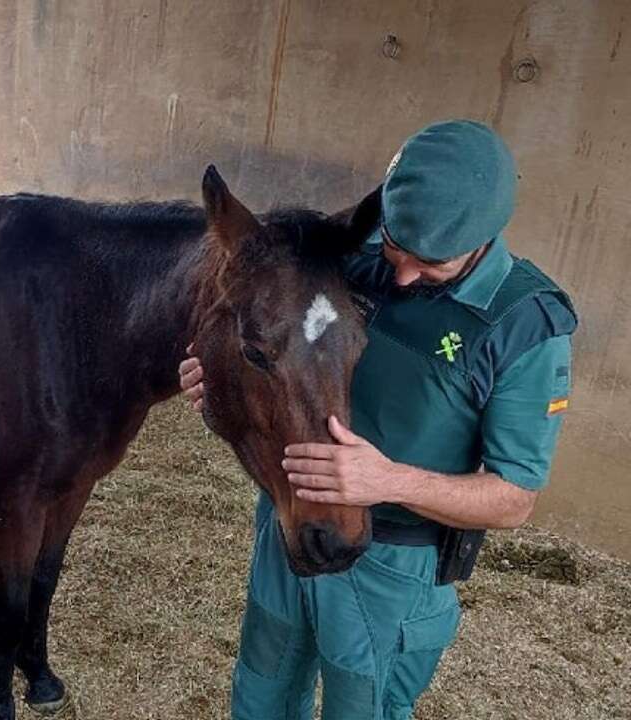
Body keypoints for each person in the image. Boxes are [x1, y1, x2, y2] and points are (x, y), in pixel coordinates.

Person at [178, 120, 577, 719]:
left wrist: (388, 482)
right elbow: (277, 344)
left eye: (432, 264)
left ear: (485, 240)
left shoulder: (524, 326)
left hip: (392, 563)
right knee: (259, 694)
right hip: (289, 522)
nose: (404, 277)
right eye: (398, 249)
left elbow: (515, 499)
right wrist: (218, 385)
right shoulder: (353, 253)